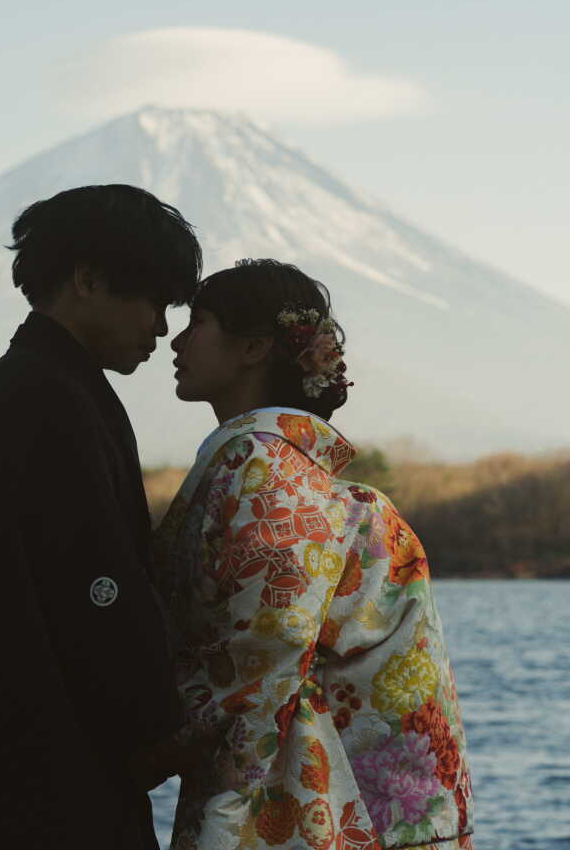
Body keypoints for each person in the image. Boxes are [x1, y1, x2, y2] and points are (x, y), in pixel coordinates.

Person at [0, 184, 202, 850]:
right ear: (88, 280)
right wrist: (161, 729)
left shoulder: (42, 383)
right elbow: (94, 587)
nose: (162, 330)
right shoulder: (46, 397)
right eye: (155, 303)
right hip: (30, 784)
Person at [154, 259, 474, 850]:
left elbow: (263, 651)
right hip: (375, 792)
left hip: (319, 793)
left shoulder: (262, 465)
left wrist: (140, 750)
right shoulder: (288, 466)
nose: (174, 340)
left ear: (253, 347)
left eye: (197, 322)